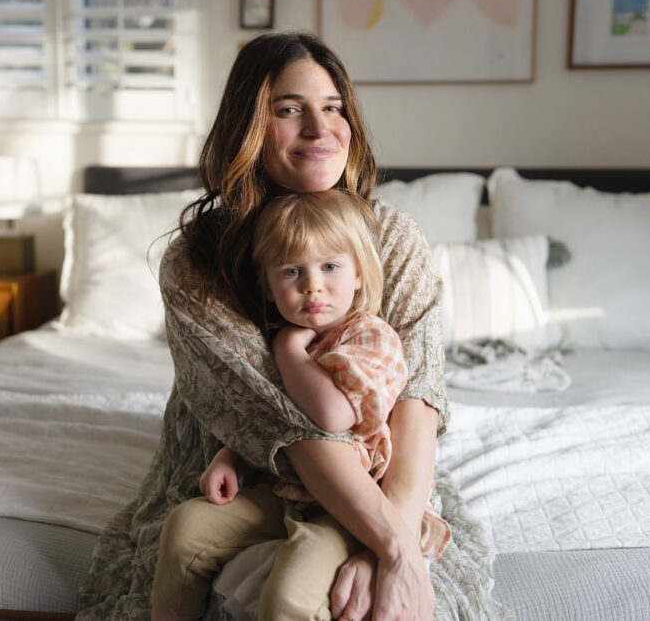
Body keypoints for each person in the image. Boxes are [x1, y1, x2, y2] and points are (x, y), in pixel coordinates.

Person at [78, 31, 506, 621]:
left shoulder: (393, 238)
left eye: (333, 108)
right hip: (236, 463)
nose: (319, 127)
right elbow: (289, 420)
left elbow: (418, 397)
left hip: (376, 468)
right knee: (180, 538)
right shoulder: (196, 261)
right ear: (247, 127)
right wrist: (394, 547)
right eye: (288, 109)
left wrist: (389, 543)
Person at [149, 189, 451, 620]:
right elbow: (275, 417)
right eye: (292, 271)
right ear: (269, 287)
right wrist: (232, 456)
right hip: (286, 489)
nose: (313, 285)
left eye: (330, 266)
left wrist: (290, 348)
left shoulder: (370, 337)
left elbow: (330, 415)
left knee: (291, 590)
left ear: (360, 275)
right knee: (184, 529)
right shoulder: (273, 340)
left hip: (351, 504)